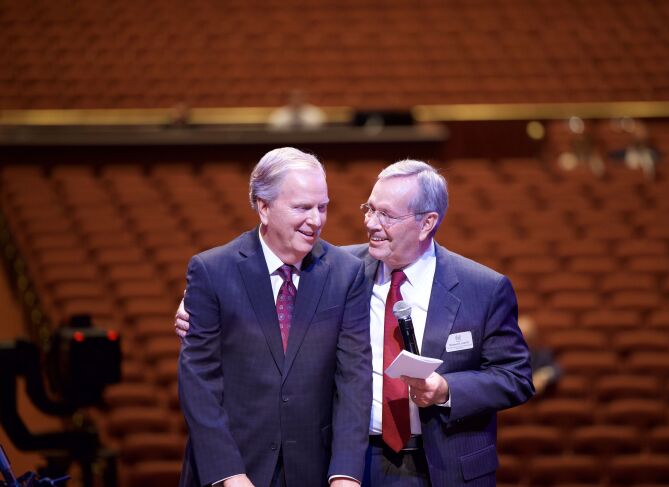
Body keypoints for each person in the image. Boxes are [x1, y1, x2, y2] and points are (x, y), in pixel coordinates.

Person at [177, 159, 534, 486]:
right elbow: (255, 285)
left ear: (427, 222)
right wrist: (194, 307)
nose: (370, 224)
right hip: (351, 463)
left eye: (386, 216)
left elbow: (516, 377)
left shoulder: (484, 288)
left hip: (445, 466)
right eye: (369, 209)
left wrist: (447, 390)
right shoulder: (339, 271)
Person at [177, 147, 372, 487]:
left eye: (322, 207)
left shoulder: (346, 273)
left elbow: (353, 380)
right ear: (263, 208)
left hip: (314, 469)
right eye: (302, 207)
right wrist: (229, 474)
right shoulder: (212, 270)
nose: (316, 220)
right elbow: (199, 382)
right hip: (232, 467)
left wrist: (346, 473)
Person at [518, 315, 561, 395]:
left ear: (533, 338)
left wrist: (543, 375)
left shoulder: (543, 354)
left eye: (527, 336)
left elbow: (557, 369)